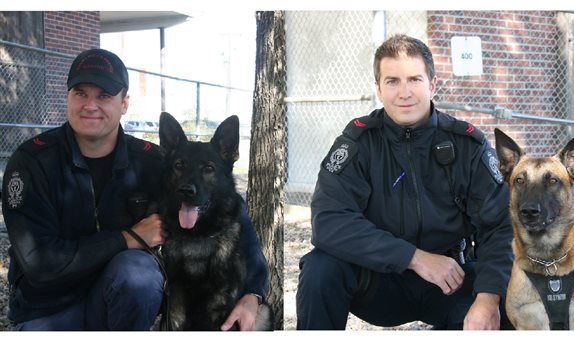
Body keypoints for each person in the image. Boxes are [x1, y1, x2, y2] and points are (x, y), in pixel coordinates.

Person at [1, 48, 268, 331]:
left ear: (124, 103)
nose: (90, 105)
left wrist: (253, 292)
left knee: (138, 274)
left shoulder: (151, 162)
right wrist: (127, 238)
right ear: (67, 96)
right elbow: (38, 263)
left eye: (104, 95)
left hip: (117, 302)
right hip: (47, 311)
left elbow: (229, 209)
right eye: (80, 93)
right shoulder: (32, 162)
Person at [296, 34, 513, 330]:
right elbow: (330, 222)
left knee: (510, 297)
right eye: (392, 81)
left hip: (451, 278)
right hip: (380, 281)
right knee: (320, 268)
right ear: (378, 88)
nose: (404, 92)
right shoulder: (359, 143)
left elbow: (500, 227)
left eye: (414, 79)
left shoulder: (467, 145)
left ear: (432, 84)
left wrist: (488, 301)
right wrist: (414, 258)